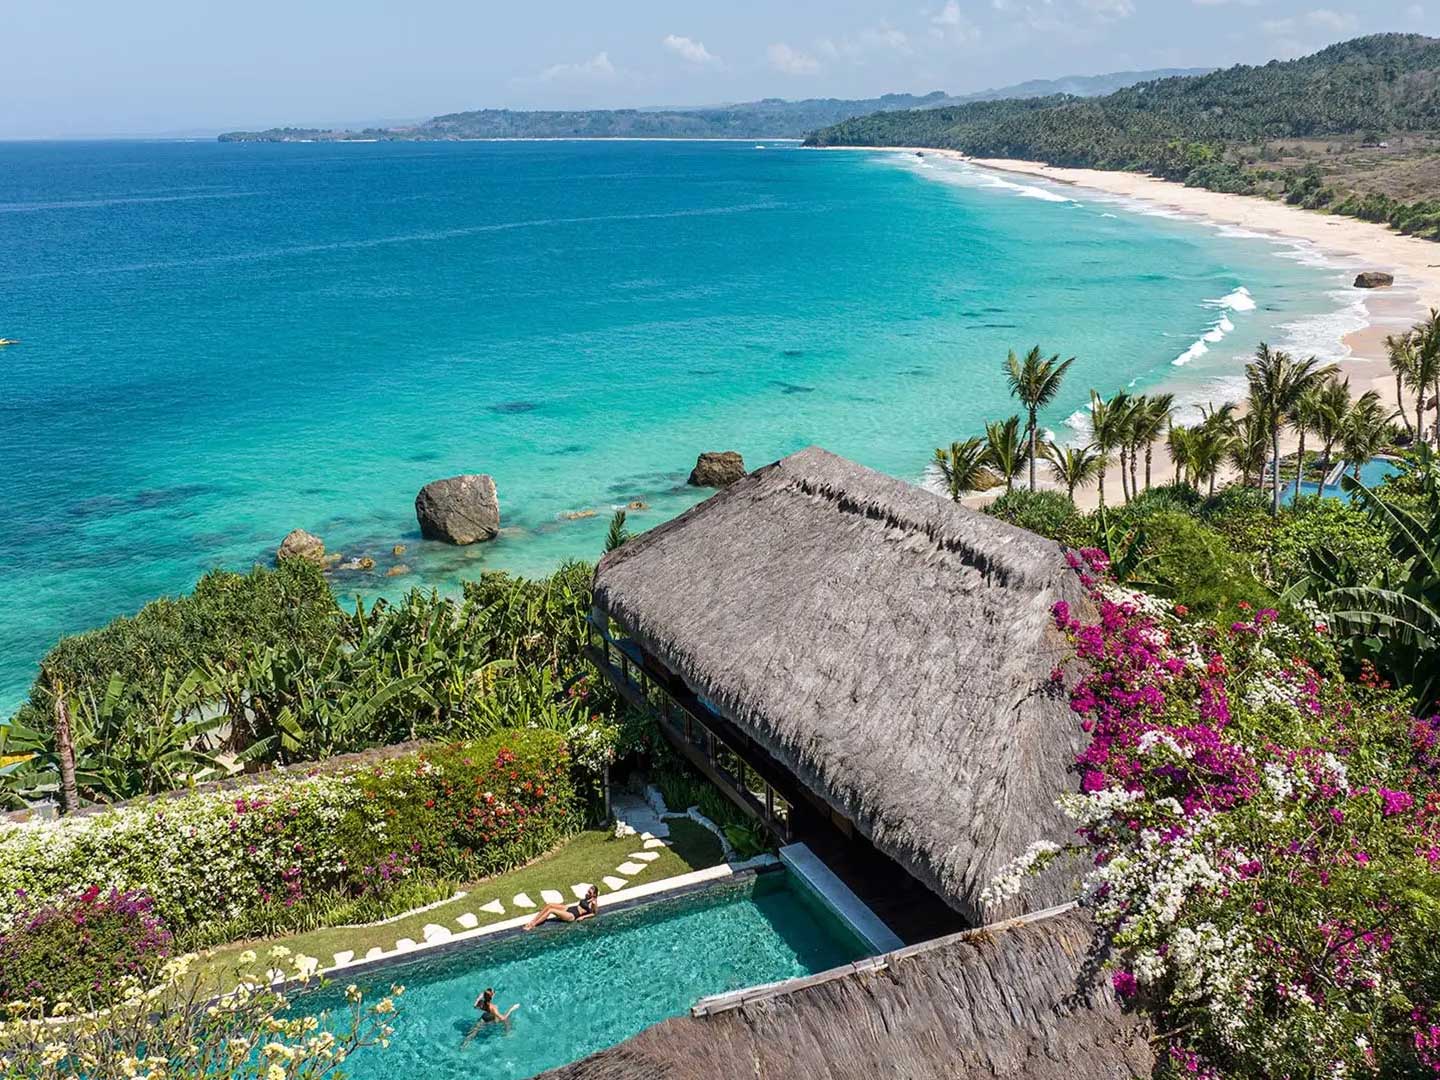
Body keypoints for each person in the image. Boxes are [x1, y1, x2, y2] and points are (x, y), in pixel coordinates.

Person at [523, 884, 598, 930]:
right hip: (571, 908)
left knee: (551, 910)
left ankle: (533, 925)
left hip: (572, 915)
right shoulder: (587, 897)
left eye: (589, 892)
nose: (587, 893)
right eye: (588, 891)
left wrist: (583, 917)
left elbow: (594, 913)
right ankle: (533, 921)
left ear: (594, 895)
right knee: (549, 905)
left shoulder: (593, 903)